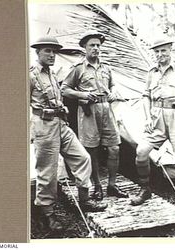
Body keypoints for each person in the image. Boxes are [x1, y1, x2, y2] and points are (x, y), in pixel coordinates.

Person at [29, 36, 107, 232]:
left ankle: (85, 200)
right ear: (37, 52)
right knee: (48, 171)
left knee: (82, 158)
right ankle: (47, 214)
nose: (52, 55)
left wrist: (62, 108)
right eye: (47, 51)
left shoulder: (53, 74)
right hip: (44, 126)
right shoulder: (30, 75)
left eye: (54, 51)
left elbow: (59, 95)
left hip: (60, 124)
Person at [61, 31, 128, 201]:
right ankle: (97, 186)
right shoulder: (78, 69)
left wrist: (113, 93)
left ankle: (112, 186)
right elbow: (65, 89)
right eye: (92, 45)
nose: (96, 48)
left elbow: (112, 85)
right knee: (92, 150)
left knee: (114, 148)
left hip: (106, 109)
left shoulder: (106, 67)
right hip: (89, 111)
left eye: (98, 45)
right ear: (84, 48)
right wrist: (82, 96)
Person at [130, 37, 175, 206]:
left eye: (163, 50)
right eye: (157, 51)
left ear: (170, 49)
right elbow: (145, 96)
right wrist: (148, 116)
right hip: (157, 117)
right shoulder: (152, 72)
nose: (160, 54)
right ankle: (145, 189)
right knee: (141, 153)